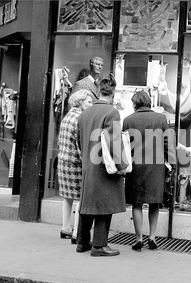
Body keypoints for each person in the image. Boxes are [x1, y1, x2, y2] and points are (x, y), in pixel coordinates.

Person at [76, 74, 128, 257]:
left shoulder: (84, 113)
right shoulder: (111, 113)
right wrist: (123, 166)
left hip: (88, 165)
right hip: (104, 168)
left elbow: (79, 142)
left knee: (88, 203)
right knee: (104, 206)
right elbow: (115, 142)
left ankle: (82, 242)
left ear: (98, 92)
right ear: (113, 94)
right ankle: (99, 245)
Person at [122, 91, 176, 251]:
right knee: (154, 203)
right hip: (156, 167)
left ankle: (139, 239)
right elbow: (168, 143)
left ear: (135, 103)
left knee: (137, 203)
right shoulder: (160, 119)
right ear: (149, 102)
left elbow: (124, 145)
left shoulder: (128, 120)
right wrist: (171, 163)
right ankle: (152, 237)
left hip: (136, 167)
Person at [57, 89, 93, 243]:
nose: (91, 104)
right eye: (89, 102)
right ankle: (77, 233)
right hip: (75, 164)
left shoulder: (67, 116)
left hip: (63, 161)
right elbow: (80, 144)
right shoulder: (80, 118)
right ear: (80, 102)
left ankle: (66, 228)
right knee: (81, 198)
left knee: (67, 197)